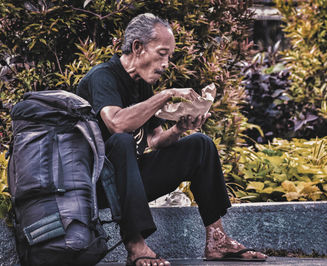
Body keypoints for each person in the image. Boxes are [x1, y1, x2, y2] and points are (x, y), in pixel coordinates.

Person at [77, 13, 266, 266]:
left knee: (200, 145)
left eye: (169, 56)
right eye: (162, 53)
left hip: (130, 182)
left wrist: (179, 129)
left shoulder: (141, 84)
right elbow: (118, 123)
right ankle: (136, 246)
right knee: (120, 141)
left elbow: (155, 140)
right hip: (99, 185)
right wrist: (166, 94)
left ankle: (217, 239)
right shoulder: (103, 76)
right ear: (137, 47)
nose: (166, 63)